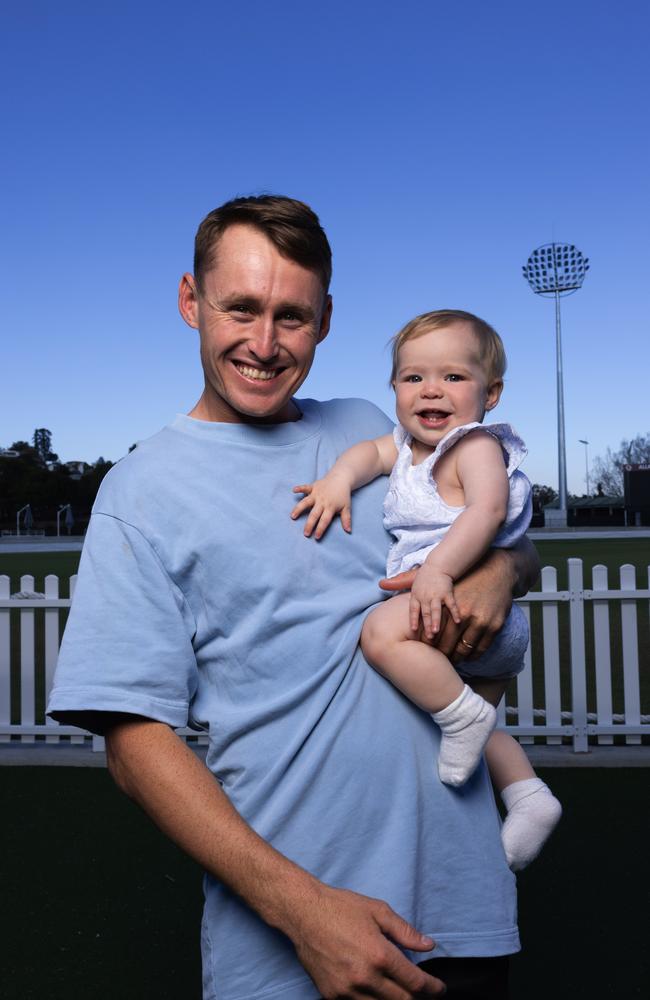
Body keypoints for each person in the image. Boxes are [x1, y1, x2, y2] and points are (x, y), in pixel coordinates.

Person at [48, 195, 540, 1000]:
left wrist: (499, 570)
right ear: (189, 301)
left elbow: (503, 534)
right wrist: (304, 911)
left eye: (293, 317)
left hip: (467, 907)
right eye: (240, 308)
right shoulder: (141, 491)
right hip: (297, 936)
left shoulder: (369, 425)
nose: (265, 344)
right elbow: (135, 745)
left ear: (327, 318)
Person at [291, 309, 561, 868]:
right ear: (393, 387)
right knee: (475, 738)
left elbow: (487, 510)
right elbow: (368, 454)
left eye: (453, 377)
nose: (431, 390)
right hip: (481, 638)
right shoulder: (405, 448)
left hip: (462, 601)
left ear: (492, 393)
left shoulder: (473, 446)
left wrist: (438, 571)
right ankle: (529, 797)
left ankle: (462, 718)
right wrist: (339, 479)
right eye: (413, 378)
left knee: (379, 632)